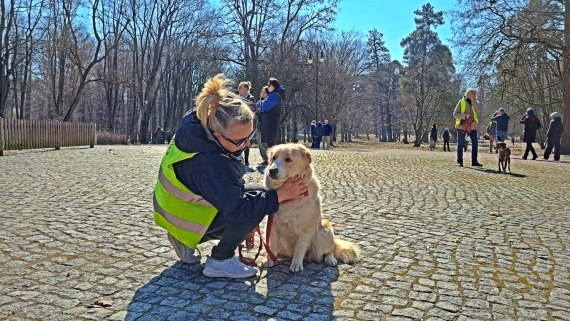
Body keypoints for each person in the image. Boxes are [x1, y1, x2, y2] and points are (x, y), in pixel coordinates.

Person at [152, 74, 308, 278]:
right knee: (258, 205)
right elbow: (239, 210)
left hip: (175, 208)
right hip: (182, 215)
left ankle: (185, 238)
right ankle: (220, 260)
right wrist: (279, 197)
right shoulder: (208, 162)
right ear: (217, 136)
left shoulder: (204, 119)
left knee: (261, 193)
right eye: (239, 142)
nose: (246, 145)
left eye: (249, 137)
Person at [453, 88, 483, 167]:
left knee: (475, 143)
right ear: (469, 94)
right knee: (460, 144)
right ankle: (460, 161)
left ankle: (474, 161)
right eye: (474, 94)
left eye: (475, 94)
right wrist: (465, 116)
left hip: (472, 127)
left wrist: (473, 100)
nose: (475, 95)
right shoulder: (461, 102)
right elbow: (455, 114)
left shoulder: (475, 102)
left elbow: (478, 109)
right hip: (461, 126)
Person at [259, 77, 284, 149]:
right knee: (269, 145)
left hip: (271, 124)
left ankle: (271, 160)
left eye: (269, 85)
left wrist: (261, 102)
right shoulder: (272, 95)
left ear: (274, 86)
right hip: (269, 123)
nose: (268, 87)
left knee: (271, 146)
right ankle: (269, 160)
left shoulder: (274, 96)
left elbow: (265, 106)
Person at [238, 81, 257, 165]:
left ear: (246, 88)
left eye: (240, 87)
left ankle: (246, 159)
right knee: (238, 139)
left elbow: (253, 109)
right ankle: (238, 156)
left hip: (247, 122)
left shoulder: (251, 98)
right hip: (237, 121)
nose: (239, 89)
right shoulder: (237, 98)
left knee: (247, 139)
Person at [255, 86, 269, 165]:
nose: (263, 94)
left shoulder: (269, 102)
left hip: (266, 124)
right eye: (262, 92)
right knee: (259, 141)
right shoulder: (259, 102)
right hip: (259, 123)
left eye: (265, 92)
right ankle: (264, 158)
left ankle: (268, 158)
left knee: (265, 142)